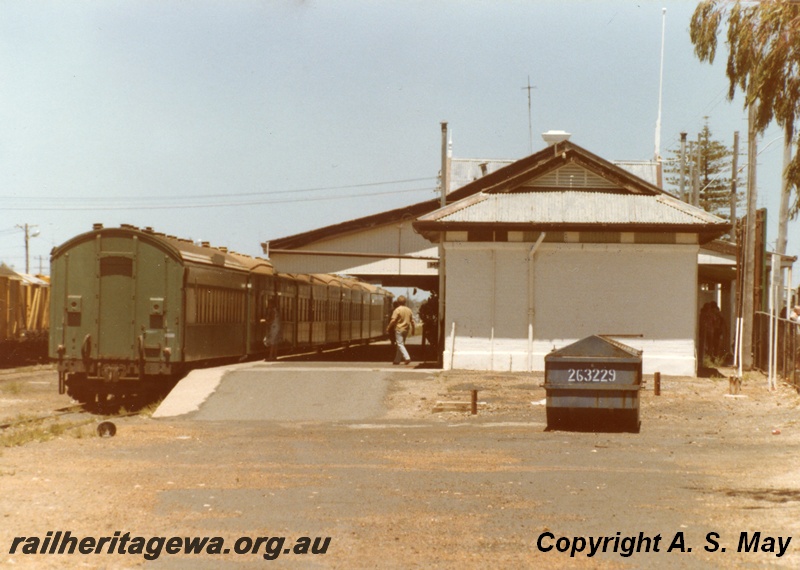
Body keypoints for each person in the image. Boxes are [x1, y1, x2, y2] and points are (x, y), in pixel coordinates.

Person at [386, 295, 415, 365]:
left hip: (399, 329)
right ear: (405, 302)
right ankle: (397, 360)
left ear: (398, 302)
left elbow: (393, 320)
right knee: (401, 344)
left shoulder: (397, 310)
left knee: (400, 344)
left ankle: (407, 357)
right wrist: (413, 329)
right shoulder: (409, 310)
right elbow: (413, 321)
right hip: (406, 329)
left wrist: (388, 327)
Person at [264, 297, 281, 361]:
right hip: (277, 326)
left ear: (271, 304)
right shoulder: (276, 310)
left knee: (272, 341)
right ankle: (275, 356)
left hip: (273, 326)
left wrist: (266, 321)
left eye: (268, 303)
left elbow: (272, 319)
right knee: (275, 342)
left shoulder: (272, 310)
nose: (268, 305)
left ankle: (270, 356)